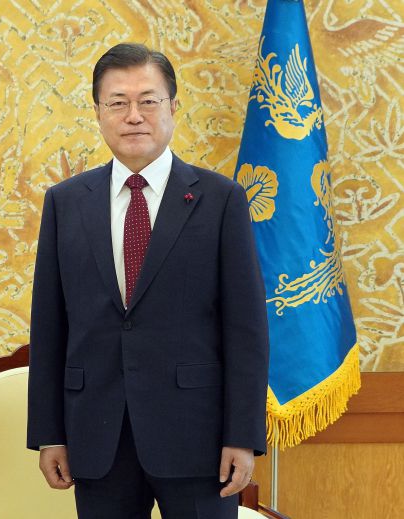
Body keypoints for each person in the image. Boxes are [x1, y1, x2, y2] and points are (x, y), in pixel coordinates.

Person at [26, 43, 269, 518]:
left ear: (173, 107)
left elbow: (246, 329)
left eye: (148, 100)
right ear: (98, 113)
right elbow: (49, 326)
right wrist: (49, 433)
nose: (133, 115)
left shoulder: (221, 200)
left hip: (198, 438)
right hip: (97, 436)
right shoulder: (66, 202)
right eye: (118, 102)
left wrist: (242, 435)